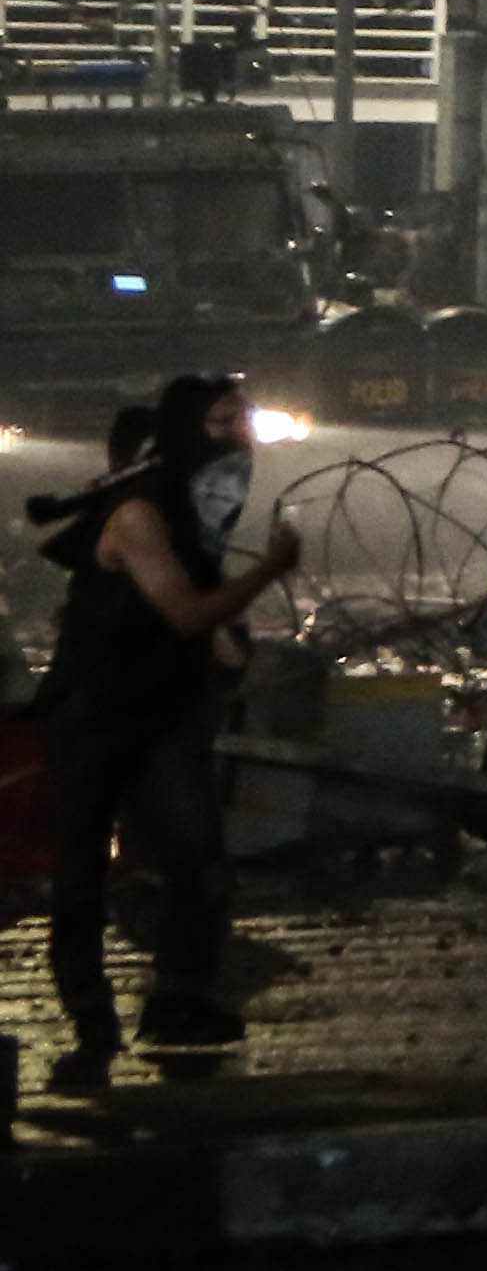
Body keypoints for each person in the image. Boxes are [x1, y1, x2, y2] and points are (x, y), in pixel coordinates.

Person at [25, 376, 301, 1090]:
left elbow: (198, 612)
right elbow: (184, 610)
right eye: (220, 422)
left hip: (161, 715)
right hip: (95, 716)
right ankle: (92, 1023)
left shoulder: (190, 511)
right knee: (80, 876)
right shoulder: (140, 513)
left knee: (199, 862)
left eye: (242, 422)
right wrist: (269, 571)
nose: (237, 437)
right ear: (186, 429)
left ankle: (179, 1001)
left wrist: (227, 653)